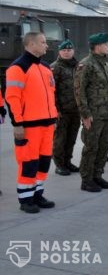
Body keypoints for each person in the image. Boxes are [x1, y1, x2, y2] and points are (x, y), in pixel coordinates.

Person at [5, 32, 58, 213]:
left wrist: (54, 118)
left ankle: (37, 194)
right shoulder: (18, 67)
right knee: (28, 163)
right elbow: (12, 98)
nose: (46, 46)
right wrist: (17, 124)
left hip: (47, 124)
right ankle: (25, 199)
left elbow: (51, 96)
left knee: (43, 162)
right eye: (43, 42)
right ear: (31, 44)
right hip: (29, 126)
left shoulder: (45, 67)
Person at [74, 33, 108, 192]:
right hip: (94, 115)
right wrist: (85, 114)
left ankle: (97, 175)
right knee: (91, 148)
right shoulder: (86, 65)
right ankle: (86, 180)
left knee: (103, 147)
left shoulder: (105, 64)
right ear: (98, 46)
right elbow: (79, 91)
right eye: (107, 44)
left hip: (107, 114)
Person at [50, 39, 81, 175]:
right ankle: (59, 164)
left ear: (73, 51)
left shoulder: (78, 66)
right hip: (62, 111)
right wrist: (56, 109)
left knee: (71, 138)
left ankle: (68, 161)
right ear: (59, 52)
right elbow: (52, 91)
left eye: (69, 50)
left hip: (76, 109)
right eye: (64, 50)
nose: (67, 52)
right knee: (60, 139)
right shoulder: (55, 67)